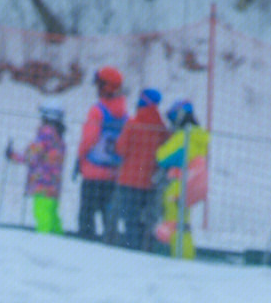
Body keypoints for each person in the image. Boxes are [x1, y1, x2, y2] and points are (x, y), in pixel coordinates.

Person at [109, 88, 168, 250]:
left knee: (129, 219)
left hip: (129, 179)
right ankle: (144, 248)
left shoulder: (133, 124)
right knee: (145, 219)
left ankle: (130, 249)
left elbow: (121, 149)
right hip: (149, 181)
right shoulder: (161, 128)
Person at [76, 66, 128, 241]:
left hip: (92, 172)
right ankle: (110, 243)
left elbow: (89, 139)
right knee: (109, 215)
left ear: (104, 87)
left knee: (87, 214)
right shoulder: (124, 115)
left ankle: (86, 243)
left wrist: (80, 157)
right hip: (113, 173)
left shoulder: (97, 111)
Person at [153, 100, 210, 259]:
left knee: (172, 223)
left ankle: (177, 256)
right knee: (183, 224)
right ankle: (186, 255)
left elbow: (162, 157)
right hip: (190, 186)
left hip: (176, 187)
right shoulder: (199, 137)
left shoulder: (184, 136)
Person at [7, 103, 66, 233]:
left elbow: (32, 155)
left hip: (43, 184)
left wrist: (13, 155)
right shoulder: (59, 136)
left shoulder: (46, 134)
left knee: (42, 214)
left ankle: (45, 243)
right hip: (54, 184)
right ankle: (60, 242)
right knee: (53, 216)